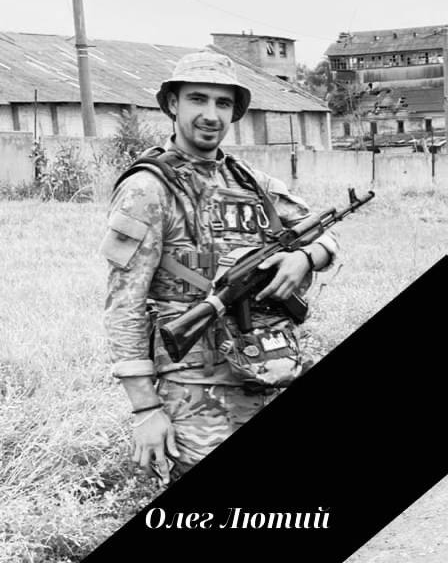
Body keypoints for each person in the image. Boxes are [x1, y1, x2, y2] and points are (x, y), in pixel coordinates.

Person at [101, 51, 337, 486]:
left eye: (223, 103)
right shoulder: (148, 189)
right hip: (196, 393)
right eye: (198, 99)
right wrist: (145, 408)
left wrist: (306, 257)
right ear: (173, 104)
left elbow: (323, 232)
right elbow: (124, 304)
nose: (211, 115)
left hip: (269, 370)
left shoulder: (253, 183)